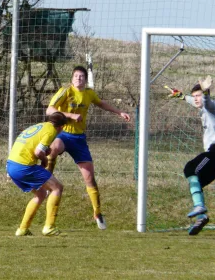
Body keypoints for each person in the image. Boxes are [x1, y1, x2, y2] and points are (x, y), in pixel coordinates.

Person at [46, 66, 131, 230]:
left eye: (82, 76)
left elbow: (101, 103)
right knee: (53, 147)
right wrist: (69, 116)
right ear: (72, 79)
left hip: (79, 139)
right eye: (76, 76)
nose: (79, 78)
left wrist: (119, 112)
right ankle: (47, 181)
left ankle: (97, 213)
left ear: (85, 80)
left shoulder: (89, 93)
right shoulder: (65, 91)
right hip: (63, 135)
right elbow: (50, 110)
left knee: (89, 177)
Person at [7, 112, 68, 236]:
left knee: (40, 194)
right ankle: (49, 227)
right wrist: (45, 160)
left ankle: (23, 229)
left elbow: (34, 145)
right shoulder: (51, 131)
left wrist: (46, 150)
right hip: (23, 166)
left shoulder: (40, 126)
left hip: (11, 165)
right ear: (61, 127)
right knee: (57, 188)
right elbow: (38, 151)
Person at [169, 76, 215, 235]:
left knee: (191, 169)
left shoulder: (211, 107)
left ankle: (200, 208)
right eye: (194, 96)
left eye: (198, 96)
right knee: (197, 183)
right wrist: (181, 96)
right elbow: (196, 101)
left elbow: (208, 103)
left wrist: (206, 92)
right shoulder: (202, 106)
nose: (196, 99)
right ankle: (201, 217)